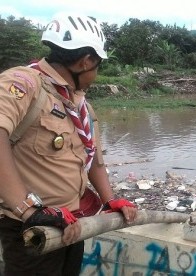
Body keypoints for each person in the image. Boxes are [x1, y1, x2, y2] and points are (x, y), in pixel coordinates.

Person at [0, 13, 137, 276]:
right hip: (29, 227)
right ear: (86, 61)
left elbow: (93, 158)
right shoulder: (24, 84)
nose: (96, 74)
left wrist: (110, 200)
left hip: (71, 223)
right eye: (97, 66)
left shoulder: (81, 105)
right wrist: (28, 210)